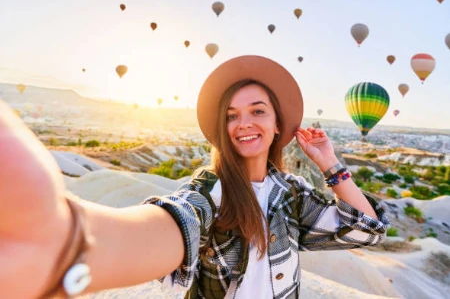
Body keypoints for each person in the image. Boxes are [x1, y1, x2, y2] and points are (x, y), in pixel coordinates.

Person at [0, 55, 390, 299]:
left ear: (277, 125)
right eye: (232, 115)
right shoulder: (210, 191)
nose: (244, 124)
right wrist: (67, 244)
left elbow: (367, 230)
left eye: (257, 112)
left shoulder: (290, 193)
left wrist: (330, 164)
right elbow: (175, 223)